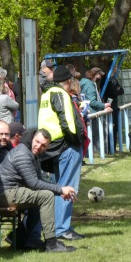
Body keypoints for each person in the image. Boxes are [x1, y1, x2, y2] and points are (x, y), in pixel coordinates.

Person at [0, 129, 77, 253]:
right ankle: (51, 244)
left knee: (42, 198)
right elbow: (34, 184)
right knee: (46, 196)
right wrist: (61, 189)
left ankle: (19, 238)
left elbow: (38, 181)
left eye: (43, 145)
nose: (39, 146)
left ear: (47, 147)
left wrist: (59, 191)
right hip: (2, 195)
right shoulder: (22, 153)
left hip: (11, 192)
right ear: (32, 138)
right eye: (37, 142)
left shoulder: (33, 154)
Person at [0, 121, 43, 250]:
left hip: (9, 190)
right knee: (40, 199)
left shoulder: (4, 147)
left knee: (40, 196)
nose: (4, 137)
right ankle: (21, 238)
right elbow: (20, 169)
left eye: (7, 134)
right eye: (0, 134)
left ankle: (24, 238)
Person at [38, 64, 87, 241]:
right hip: (66, 145)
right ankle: (61, 228)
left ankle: (59, 226)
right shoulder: (61, 95)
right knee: (68, 187)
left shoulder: (46, 95)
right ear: (68, 81)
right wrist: (75, 140)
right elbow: (66, 121)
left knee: (59, 186)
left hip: (52, 146)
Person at [80, 68, 112, 152]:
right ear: (95, 74)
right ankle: (95, 152)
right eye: (100, 75)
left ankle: (91, 152)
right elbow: (92, 102)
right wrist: (103, 105)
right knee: (94, 135)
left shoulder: (84, 83)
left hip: (87, 112)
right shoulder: (90, 85)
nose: (100, 77)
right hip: (92, 114)